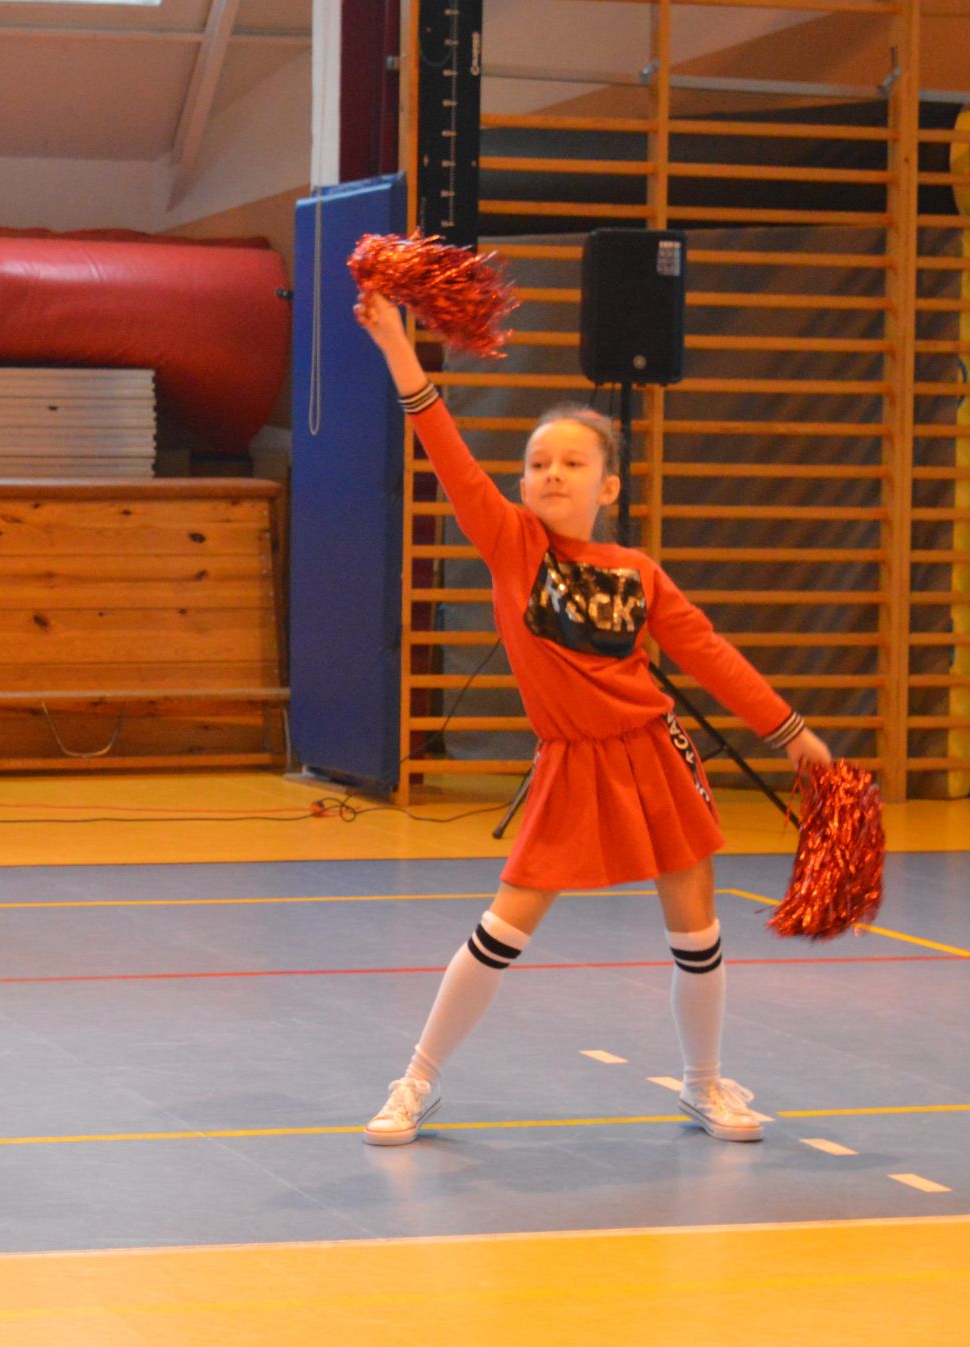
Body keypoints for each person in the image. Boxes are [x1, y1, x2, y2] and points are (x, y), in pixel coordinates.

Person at [357, 295, 832, 1147]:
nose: (551, 474)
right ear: (520, 485)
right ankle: (416, 1080)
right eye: (537, 463)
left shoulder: (638, 572)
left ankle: (703, 1084)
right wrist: (398, 344)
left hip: (656, 756)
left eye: (572, 463)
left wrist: (792, 733)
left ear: (607, 486)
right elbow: (443, 444)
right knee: (502, 928)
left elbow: (710, 655)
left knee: (696, 929)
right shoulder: (512, 546)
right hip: (571, 764)